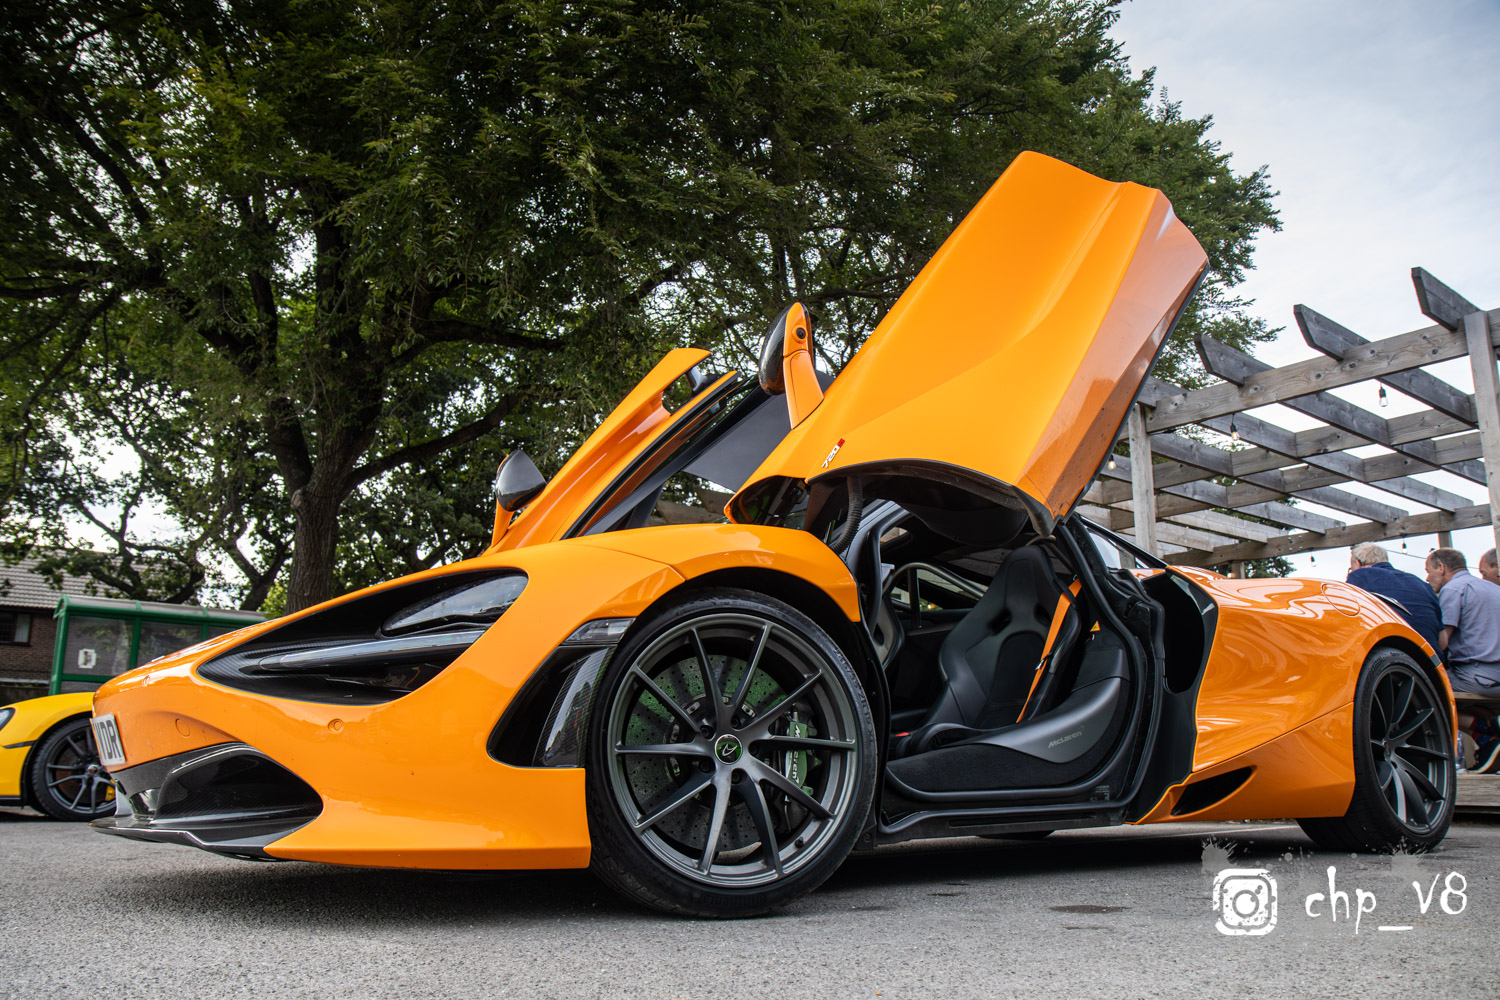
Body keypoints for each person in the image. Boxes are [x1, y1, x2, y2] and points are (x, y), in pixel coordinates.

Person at [1425, 548, 1500, 773]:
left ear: (1442, 567)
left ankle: (1485, 730)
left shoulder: (1453, 589)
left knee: (1422, 693)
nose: (1427, 578)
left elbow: (1442, 642)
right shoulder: (1493, 588)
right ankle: (1488, 741)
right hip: (1494, 677)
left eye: (1429, 571)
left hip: (1477, 677)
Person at [1346, 543, 1443, 653]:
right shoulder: (1423, 585)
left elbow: (1348, 622)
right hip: (1430, 658)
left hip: (1389, 656)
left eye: (1351, 568)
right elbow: (1443, 642)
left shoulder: (1359, 575)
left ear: (1358, 563)